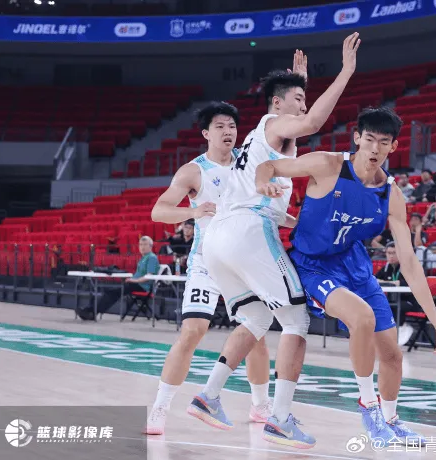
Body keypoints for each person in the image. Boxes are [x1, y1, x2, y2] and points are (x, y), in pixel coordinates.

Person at [255, 106, 436, 447]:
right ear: (357, 138)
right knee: (362, 318)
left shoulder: (391, 194)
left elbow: (409, 262)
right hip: (313, 265)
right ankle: (369, 408)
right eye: (369, 139)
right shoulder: (327, 165)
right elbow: (268, 166)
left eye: (383, 142)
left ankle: (392, 421)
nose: (374, 148)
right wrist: (262, 183)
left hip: (355, 266)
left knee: (393, 355)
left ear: (393, 147)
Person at [188, 35, 360, 449]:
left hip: (220, 237)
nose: (304, 104)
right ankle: (280, 418)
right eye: (299, 98)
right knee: (297, 321)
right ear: (278, 104)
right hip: (249, 230)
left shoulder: (260, 138)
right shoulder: (275, 123)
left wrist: (299, 84)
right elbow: (311, 123)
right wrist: (346, 73)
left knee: (256, 319)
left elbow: (287, 140)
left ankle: (208, 395)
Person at [144, 102, 273, 435]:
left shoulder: (249, 163)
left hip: (243, 262)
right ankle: (160, 407)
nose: (228, 131)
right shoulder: (193, 171)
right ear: (206, 133)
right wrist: (194, 211)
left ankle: (260, 405)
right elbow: (159, 211)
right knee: (193, 331)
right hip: (207, 260)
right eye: (220, 126)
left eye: (232, 126)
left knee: (256, 335)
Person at [76, 236, 160, 321]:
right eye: (140, 244)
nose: (142, 247)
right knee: (109, 290)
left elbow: (149, 276)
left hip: (142, 286)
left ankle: (92, 313)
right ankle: (90, 311)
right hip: (134, 283)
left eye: (145, 245)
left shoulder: (151, 258)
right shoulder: (143, 258)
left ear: (150, 246)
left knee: (112, 292)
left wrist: (134, 280)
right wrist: (130, 278)